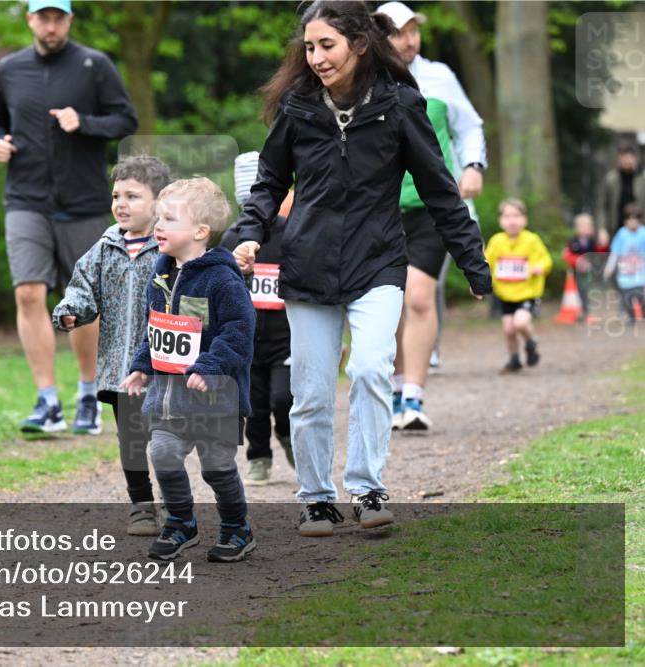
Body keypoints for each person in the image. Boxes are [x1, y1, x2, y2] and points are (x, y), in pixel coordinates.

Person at [230, 0, 491, 537]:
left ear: (359, 44)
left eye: (327, 45)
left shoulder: (400, 105)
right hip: (308, 265)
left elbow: (442, 192)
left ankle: (368, 486)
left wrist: (473, 262)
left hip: (377, 261)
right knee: (312, 390)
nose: (317, 57)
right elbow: (269, 183)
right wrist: (250, 232)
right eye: (309, 47)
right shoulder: (297, 107)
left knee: (372, 368)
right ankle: (317, 497)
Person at [0, 0, 138, 435]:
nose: (51, 25)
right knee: (29, 293)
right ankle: (47, 401)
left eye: (58, 17)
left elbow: (126, 119)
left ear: (69, 20)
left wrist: (83, 121)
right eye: (42, 17)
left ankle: (88, 393)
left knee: (85, 303)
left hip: (83, 202)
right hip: (25, 199)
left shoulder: (94, 64)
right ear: (30, 19)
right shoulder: (9, 69)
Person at [120, 177, 256, 563]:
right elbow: (156, 328)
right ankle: (181, 522)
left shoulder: (222, 279)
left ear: (200, 231)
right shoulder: (160, 276)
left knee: (217, 466)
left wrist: (210, 365)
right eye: (158, 218)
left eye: (169, 219)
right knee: (161, 452)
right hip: (168, 397)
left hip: (215, 396)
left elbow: (239, 330)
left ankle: (236, 528)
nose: (158, 226)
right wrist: (141, 366)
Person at [378, 1, 487, 431]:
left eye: (413, 32)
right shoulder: (365, 80)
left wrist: (473, 166)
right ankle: (394, 387)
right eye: (398, 33)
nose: (409, 41)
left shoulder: (439, 76)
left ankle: (414, 397)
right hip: (382, 207)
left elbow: (471, 125)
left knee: (418, 296)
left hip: (432, 206)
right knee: (389, 302)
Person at [52, 155, 172, 535]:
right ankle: (141, 505)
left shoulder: (172, 248)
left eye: (133, 196)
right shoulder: (104, 248)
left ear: (159, 202)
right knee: (132, 439)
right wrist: (72, 311)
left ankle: (176, 503)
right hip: (121, 368)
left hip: (166, 365)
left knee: (167, 440)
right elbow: (83, 287)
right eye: (117, 195)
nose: (121, 204)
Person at [221, 152, 295, 486]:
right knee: (253, 404)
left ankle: (289, 435)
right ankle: (259, 457)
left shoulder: (293, 234)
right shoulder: (230, 240)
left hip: (286, 338)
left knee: (284, 398)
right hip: (247, 342)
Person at [485, 198, 553, 373]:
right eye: (507, 216)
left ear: (525, 219)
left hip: (527, 293)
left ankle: (531, 342)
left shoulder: (532, 240)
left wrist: (540, 267)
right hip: (505, 293)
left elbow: (546, 260)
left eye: (516, 216)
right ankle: (514, 359)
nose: (512, 220)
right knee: (508, 329)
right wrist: (479, 281)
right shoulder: (496, 241)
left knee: (520, 323)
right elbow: (486, 263)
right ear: (500, 221)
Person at [562, 212, 609, 322]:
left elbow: (600, 252)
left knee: (588, 291)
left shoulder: (592, 242)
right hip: (577, 273)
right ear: (577, 228)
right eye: (583, 225)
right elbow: (567, 255)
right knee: (581, 292)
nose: (587, 228)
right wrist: (577, 261)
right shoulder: (573, 242)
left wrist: (604, 244)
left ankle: (587, 311)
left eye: (589, 225)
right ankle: (583, 311)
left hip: (591, 272)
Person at [604, 203, 645, 325]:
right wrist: (609, 268)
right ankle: (631, 317)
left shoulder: (643, 233)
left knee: (640, 297)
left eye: (635, 219)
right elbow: (615, 253)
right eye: (630, 219)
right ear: (625, 220)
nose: (632, 222)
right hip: (626, 274)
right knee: (627, 297)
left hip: (640, 274)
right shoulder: (621, 234)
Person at [597, 145, 645, 238]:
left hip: (640, 231)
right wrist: (602, 229)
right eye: (623, 158)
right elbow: (602, 206)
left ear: (635, 158)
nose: (626, 161)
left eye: (628, 158)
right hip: (615, 230)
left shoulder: (643, 179)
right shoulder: (611, 179)